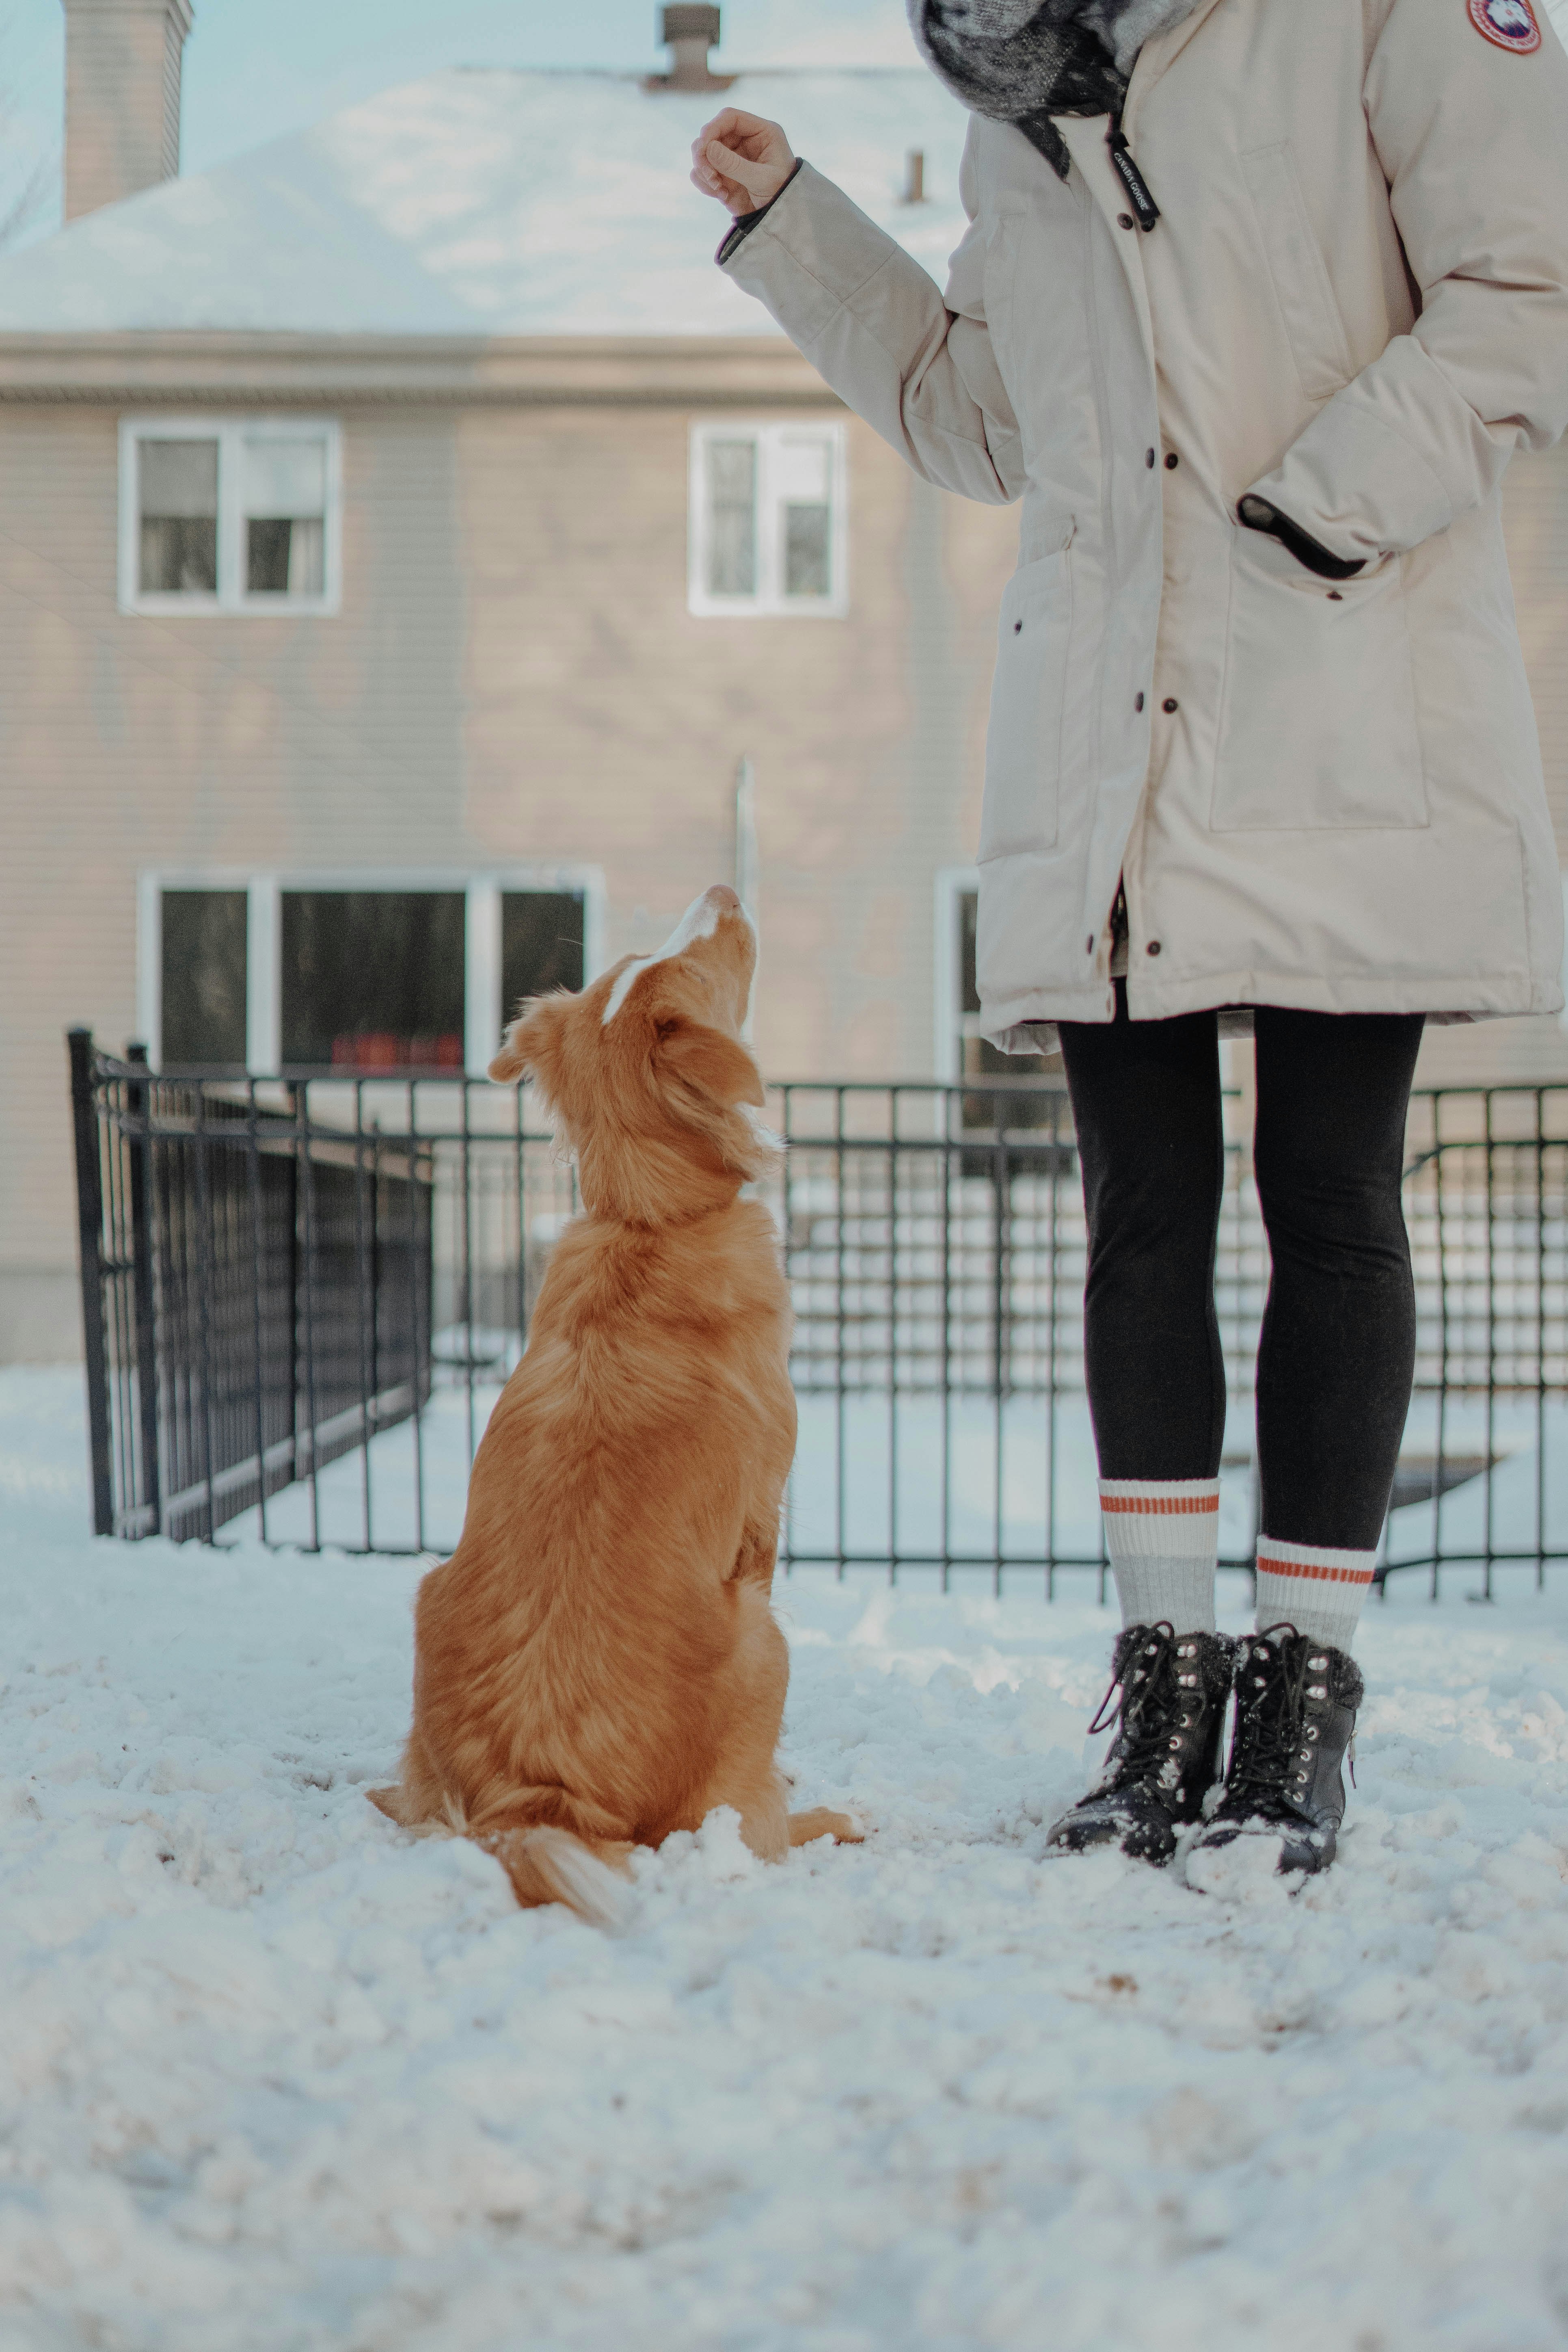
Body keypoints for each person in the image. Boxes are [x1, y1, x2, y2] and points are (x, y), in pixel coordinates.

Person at [690, 0, 1568, 1878]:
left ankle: (1302, 1701)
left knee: (1331, 1194)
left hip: (1343, 687)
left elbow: (1531, 283)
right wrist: (798, 229)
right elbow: (980, 420)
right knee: (1139, 1214)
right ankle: (1165, 1690)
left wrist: (1323, 513)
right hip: (1111, 735)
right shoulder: (1022, 113)